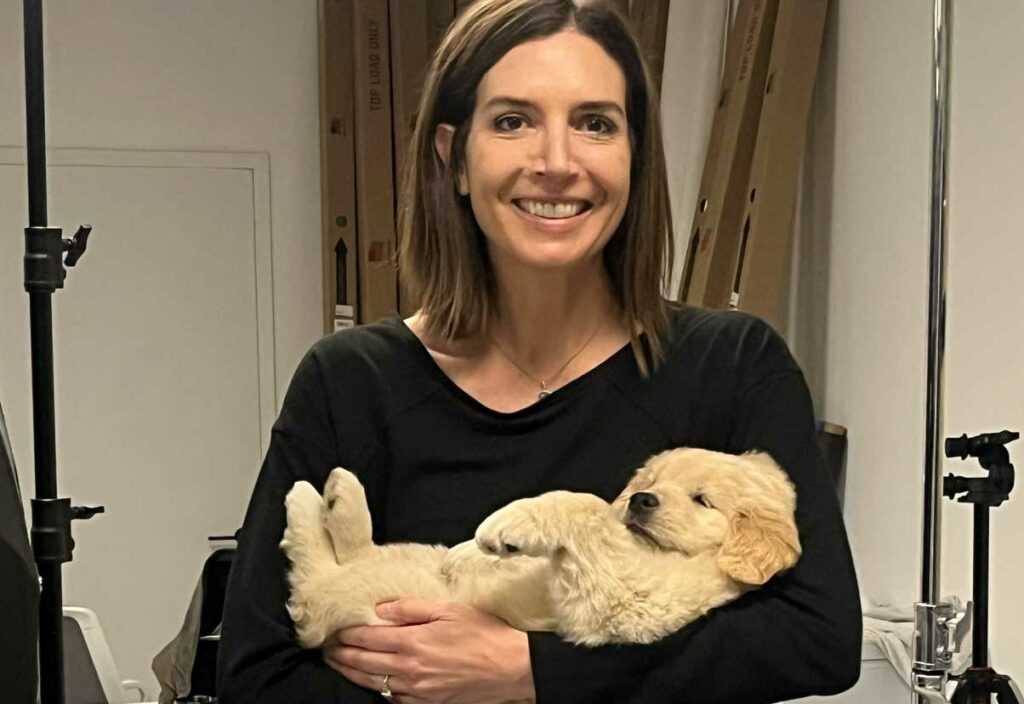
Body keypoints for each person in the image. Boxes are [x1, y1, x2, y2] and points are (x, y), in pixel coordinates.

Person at [217, 0, 862, 702]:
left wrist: (529, 671)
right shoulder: (350, 382)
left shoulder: (733, 366)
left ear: (635, 159)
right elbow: (257, 675)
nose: (556, 163)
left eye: (594, 124)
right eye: (512, 121)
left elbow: (817, 637)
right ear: (453, 158)